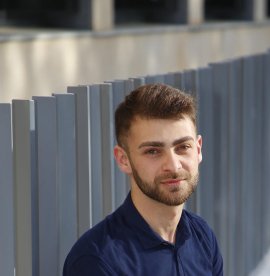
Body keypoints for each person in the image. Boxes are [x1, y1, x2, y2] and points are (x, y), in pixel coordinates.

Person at [63, 83, 223, 275]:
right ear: (124, 160)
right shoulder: (97, 261)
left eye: (183, 147)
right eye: (153, 151)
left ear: (198, 150)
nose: (173, 166)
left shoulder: (203, 236)